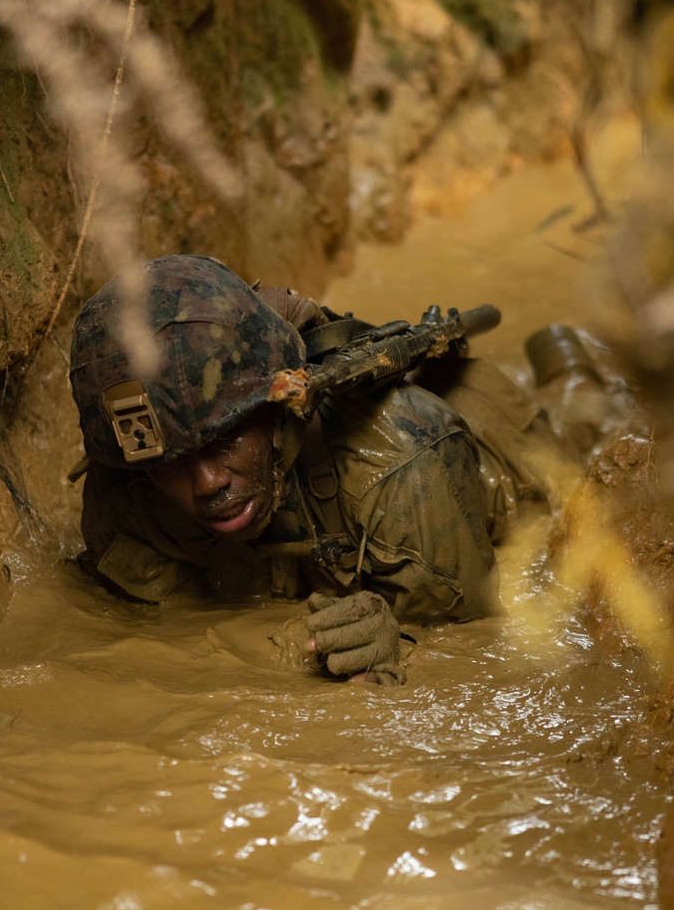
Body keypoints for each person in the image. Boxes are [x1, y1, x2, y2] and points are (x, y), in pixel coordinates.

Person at [70, 254, 595, 685]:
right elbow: (164, 633)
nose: (208, 483)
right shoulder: (129, 483)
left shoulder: (404, 461)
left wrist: (406, 645)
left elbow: (479, 647)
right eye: (173, 462)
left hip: (500, 447)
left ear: (278, 411)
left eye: (226, 438)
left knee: (588, 423)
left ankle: (570, 361)